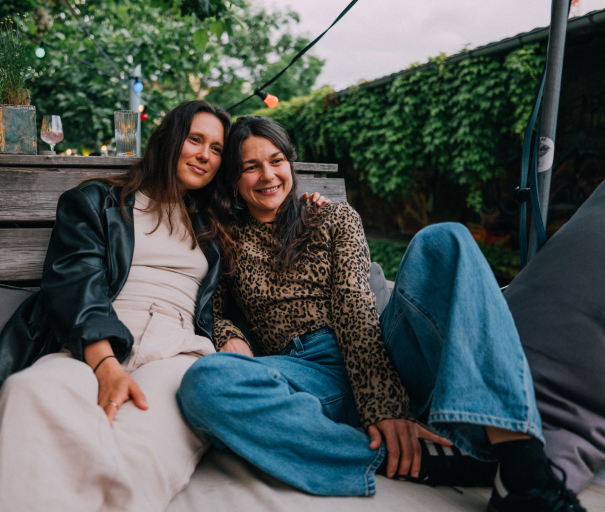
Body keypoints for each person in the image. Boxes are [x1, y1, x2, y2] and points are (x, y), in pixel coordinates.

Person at [177, 116, 584, 512]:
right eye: (250, 167)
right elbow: (215, 307)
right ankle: (415, 461)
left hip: (381, 349)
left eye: (276, 160)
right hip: (303, 374)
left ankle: (524, 469)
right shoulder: (224, 238)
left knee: (446, 239)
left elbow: (355, 308)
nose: (267, 175)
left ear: (290, 164)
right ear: (233, 179)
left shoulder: (332, 217)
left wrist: (383, 404)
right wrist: (232, 333)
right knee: (205, 382)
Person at [0, 101, 233, 512]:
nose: (205, 155)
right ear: (169, 139)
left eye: (216, 149)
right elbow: (74, 280)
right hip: (94, 340)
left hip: (178, 350)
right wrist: (105, 364)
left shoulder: (215, 225)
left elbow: (273, 200)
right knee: (30, 391)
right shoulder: (97, 202)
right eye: (195, 139)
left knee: (136, 445)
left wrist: (315, 206)